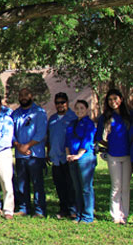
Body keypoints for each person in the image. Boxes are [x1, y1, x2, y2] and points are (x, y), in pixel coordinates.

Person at [96, 88, 132, 224]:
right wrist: (108, 144)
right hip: (113, 156)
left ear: (121, 99)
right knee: (116, 186)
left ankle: (124, 215)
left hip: (127, 155)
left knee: (125, 186)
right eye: (110, 100)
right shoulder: (104, 117)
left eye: (115, 99)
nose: (113, 102)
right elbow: (98, 137)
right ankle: (115, 215)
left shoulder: (129, 115)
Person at [12, 87, 48, 217]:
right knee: (22, 183)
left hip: (35, 154)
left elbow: (41, 133)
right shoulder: (15, 114)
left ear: (31, 96)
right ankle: (23, 208)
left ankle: (39, 210)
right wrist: (18, 145)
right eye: (21, 95)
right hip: (20, 155)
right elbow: (11, 133)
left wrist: (27, 146)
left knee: (37, 183)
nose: (23, 97)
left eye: (26, 95)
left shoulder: (39, 112)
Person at [47, 92, 77, 220]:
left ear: (67, 103)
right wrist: (48, 152)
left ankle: (73, 209)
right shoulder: (52, 119)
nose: (60, 105)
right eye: (57, 102)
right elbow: (49, 138)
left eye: (62, 102)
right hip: (55, 158)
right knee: (59, 185)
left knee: (71, 185)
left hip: (68, 158)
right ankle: (63, 209)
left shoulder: (73, 117)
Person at [65, 100, 97, 224]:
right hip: (72, 158)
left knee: (86, 188)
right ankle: (78, 214)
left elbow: (87, 141)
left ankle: (88, 216)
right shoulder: (72, 123)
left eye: (82, 108)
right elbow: (67, 140)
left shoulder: (89, 123)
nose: (79, 110)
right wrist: (69, 155)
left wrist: (78, 155)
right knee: (77, 188)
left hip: (85, 158)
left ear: (87, 109)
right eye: (77, 108)